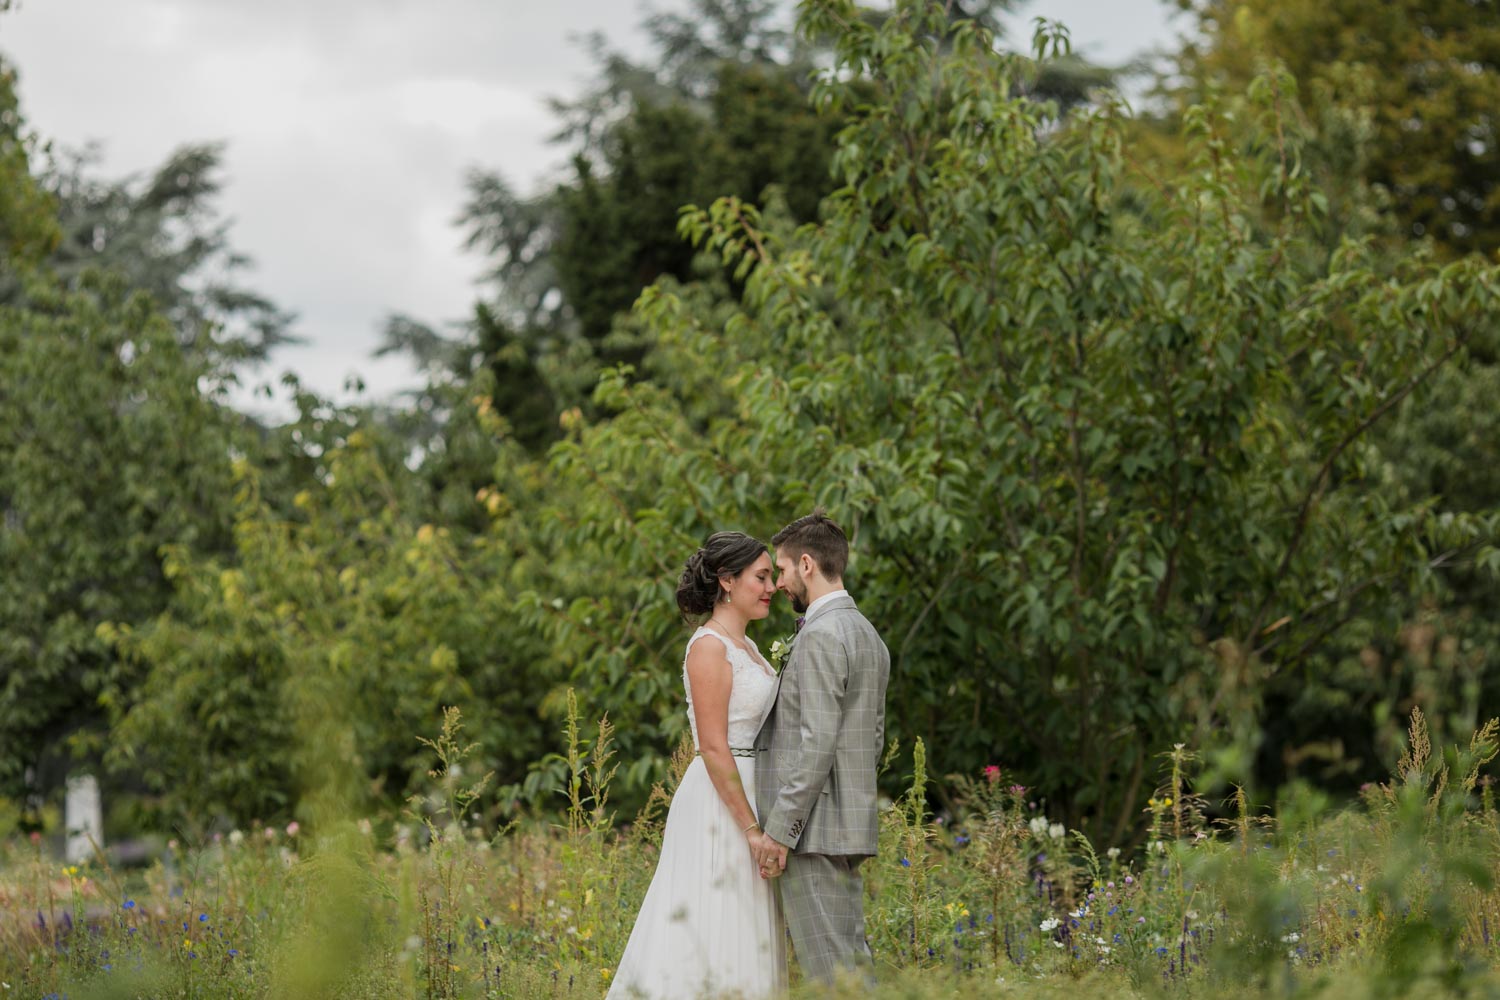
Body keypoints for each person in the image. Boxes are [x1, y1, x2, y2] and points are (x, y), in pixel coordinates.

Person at [607, 531, 788, 999]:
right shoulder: (709, 646)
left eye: (772, 577)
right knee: (713, 919)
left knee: (748, 929)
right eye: (762, 577)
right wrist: (750, 828)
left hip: (754, 790)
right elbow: (712, 745)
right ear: (727, 581)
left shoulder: (747, 648)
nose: (772, 587)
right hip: (720, 802)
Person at [749, 510, 891, 985]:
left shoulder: (821, 635)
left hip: (812, 833)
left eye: (783, 571)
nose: (780, 584)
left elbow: (816, 744)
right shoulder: (869, 636)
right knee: (851, 969)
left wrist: (781, 830)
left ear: (807, 564)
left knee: (834, 979)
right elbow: (871, 740)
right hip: (844, 827)